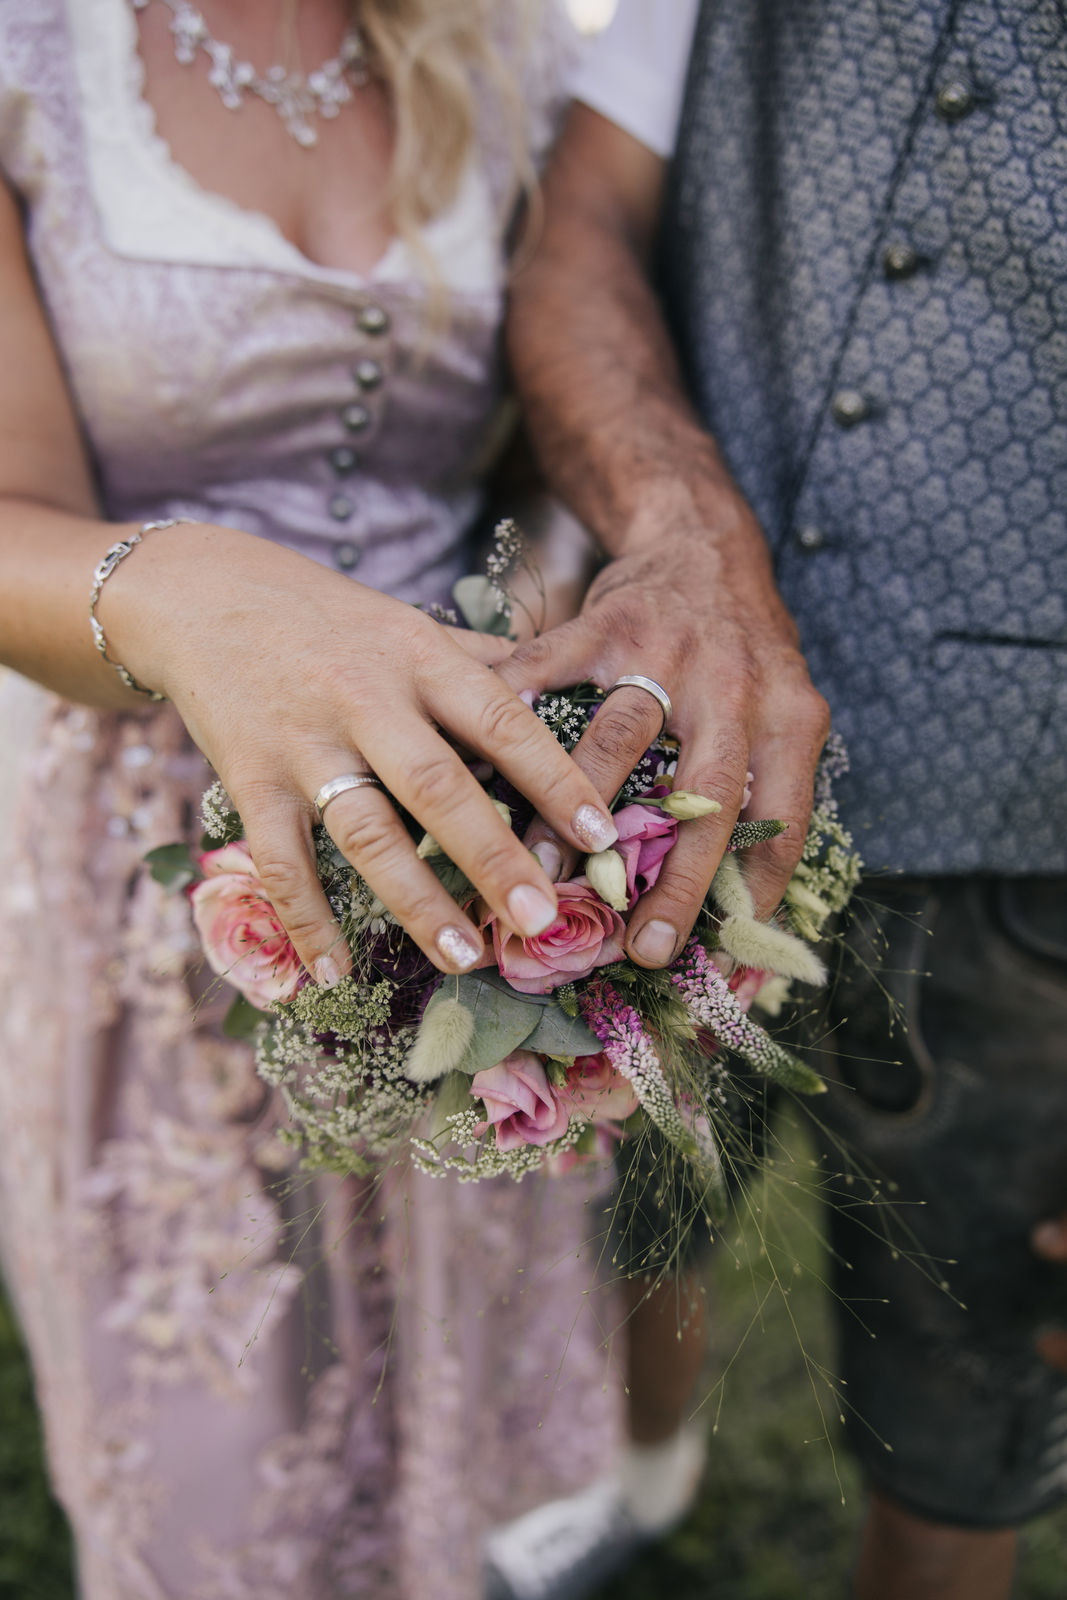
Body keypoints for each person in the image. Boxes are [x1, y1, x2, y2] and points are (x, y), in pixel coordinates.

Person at [0, 4, 630, 1595]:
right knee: (223, 1441)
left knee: (441, 1376)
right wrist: (196, 593)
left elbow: (563, 425)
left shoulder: (514, 60)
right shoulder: (36, 55)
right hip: (145, 833)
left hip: (469, 832)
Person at [482, 2, 1067, 1598]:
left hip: (1036, 819)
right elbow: (582, 220)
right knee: (635, 1175)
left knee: (968, 1386)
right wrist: (673, 528)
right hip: (664, 755)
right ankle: (639, 1479)